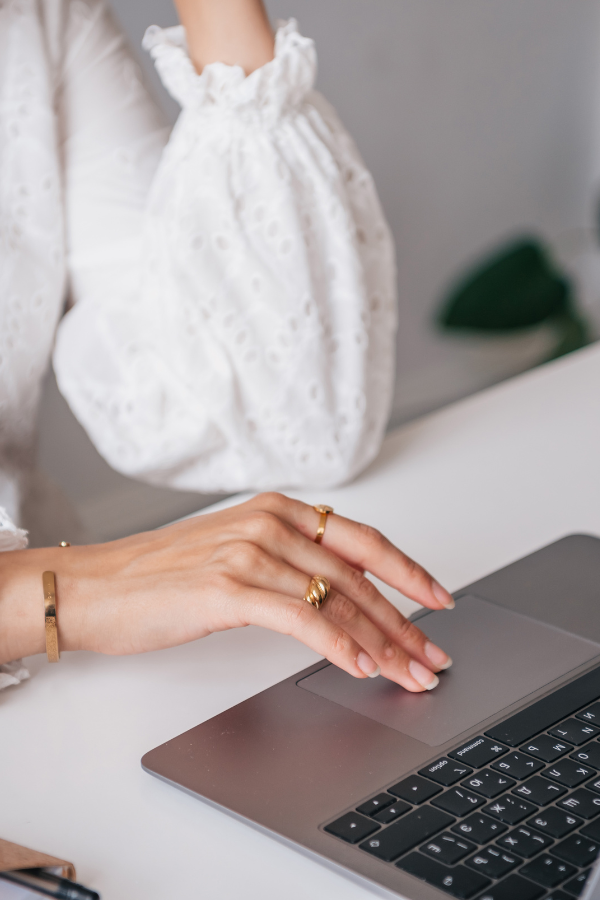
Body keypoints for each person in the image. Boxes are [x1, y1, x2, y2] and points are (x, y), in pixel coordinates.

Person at [0, 0, 453, 692]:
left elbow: (304, 429)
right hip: (60, 641)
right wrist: (81, 587)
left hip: (67, 677)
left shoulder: (40, 22)